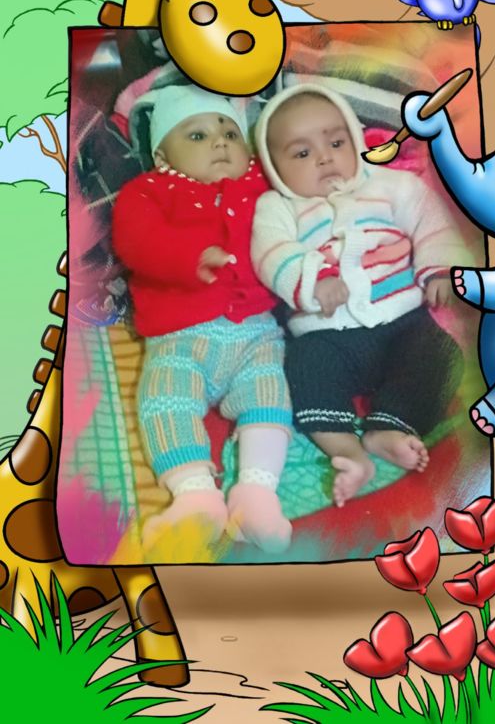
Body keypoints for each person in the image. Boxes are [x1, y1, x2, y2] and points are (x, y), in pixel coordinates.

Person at [251, 83, 470, 507]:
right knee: (301, 369)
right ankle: (347, 451)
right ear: (274, 168)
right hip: (327, 333)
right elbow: (270, 253)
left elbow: (430, 219)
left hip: (402, 320)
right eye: (302, 153)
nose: (324, 157)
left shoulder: (391, 185)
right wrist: (312, 280)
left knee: (441, 356)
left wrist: (440, 269)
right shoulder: (277, 207)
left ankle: (389, 426)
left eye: (336, 143)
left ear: (355, 138)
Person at [112, 83, 292, 552]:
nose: (219, 143)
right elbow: (135, 240)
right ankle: (194, 496)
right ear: (161, 155)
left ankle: (257, 491)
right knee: (164, 399)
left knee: (270, 394)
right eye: (197, 135)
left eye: (231, 133)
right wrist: (189, 255)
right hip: (180, 336)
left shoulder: (262, 183)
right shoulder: (148, 191)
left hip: (256, 333)